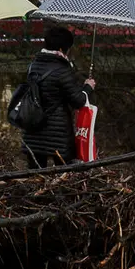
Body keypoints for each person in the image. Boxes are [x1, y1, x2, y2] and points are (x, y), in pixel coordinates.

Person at [20, 26, 95, 168]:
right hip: (57, 136)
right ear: (61, 49)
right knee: (64, 178)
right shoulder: (62, 69)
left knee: (35, 178)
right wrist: (88, 87)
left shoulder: (33, 65)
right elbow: (78, 101)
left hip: (33, 132)